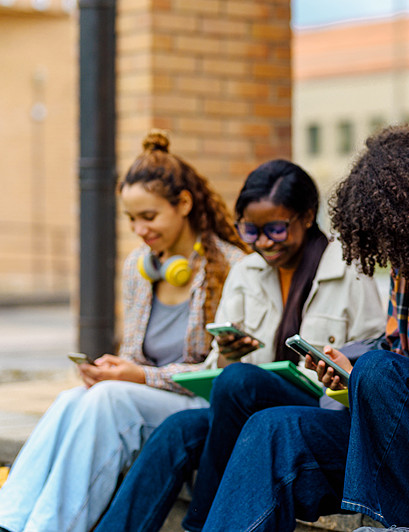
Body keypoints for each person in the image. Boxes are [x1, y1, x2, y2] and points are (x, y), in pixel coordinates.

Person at [198, 125, 409, 531]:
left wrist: (375, 369)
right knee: (273, 429)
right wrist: (348, 368)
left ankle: (396, 524)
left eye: (396, 233)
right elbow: (396, 355)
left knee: (377, 369)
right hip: (397, 439)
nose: (391, 249)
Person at [94, 159, 385, 532]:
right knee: (178, 428)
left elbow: (371, 359)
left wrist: (339, 372)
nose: (263, 242)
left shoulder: (349, 269)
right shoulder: (246, 272)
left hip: (317, 409)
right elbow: (217, 372)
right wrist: (227, 355)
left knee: (240, 381)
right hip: (245, 411)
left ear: (307, 216)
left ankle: (200, 524)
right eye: (250, 230)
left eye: (276, 229)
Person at [0, 130, 248, 532]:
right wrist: (112, 370)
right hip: (143, 400)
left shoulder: (234, 269)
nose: (139, 229)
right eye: (131, 219)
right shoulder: (139, 267)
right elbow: (134, 357)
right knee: (71, 398)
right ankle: (8, 521)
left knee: (109, 399)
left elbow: (219, 374)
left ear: (184, 204)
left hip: (199, 407)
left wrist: (138, 377)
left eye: (148, 216)